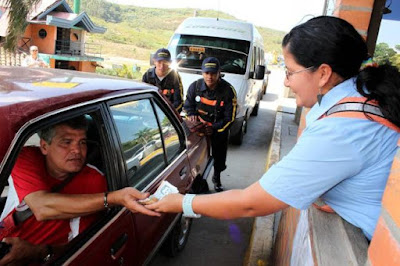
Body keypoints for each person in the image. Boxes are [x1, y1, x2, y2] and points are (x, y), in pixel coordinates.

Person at [145, 16, 400, 241]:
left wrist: (182, 202)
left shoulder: (342, 129)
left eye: (290, 72)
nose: (286, 81)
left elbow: (250, 204)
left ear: (323, 74)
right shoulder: (359, 100)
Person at [0, 116, 159, 264]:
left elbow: (84, 244)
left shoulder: (94, 181)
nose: (77, 150)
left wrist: (37, 251)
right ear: (44, 146)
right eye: (66, 142)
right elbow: (41, 206)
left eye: (82, 142)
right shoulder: (25, 158)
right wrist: (113, 198)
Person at [184, 57, 237, 192]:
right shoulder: (195, 87)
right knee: (197, 157)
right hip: (199, 131)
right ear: (202, 73)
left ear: (219, 73)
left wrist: (214, 128)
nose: (210, 76)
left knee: (219, 157)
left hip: (218, 130)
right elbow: (188, 105)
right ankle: (198, 180)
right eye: (207, 73)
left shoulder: (228, 91)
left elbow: (230, 118)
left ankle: (217, 178)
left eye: (213, 73)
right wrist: (191, 115)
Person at [142, 48, 184, 112]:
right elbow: (142, 98)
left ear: (170, 63)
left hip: (168, 113)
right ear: (154, 61)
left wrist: (167, 113)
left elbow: (178, 101)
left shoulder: (175, 77)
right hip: (150, 111)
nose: (162, 66)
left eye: (165, 63)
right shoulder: (147, 75)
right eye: (159, 62)